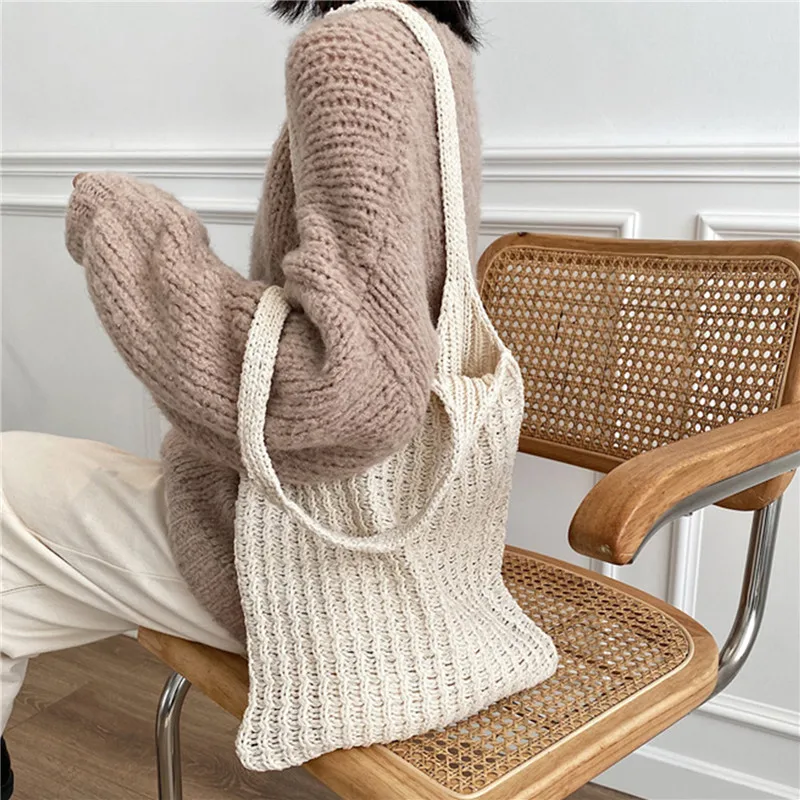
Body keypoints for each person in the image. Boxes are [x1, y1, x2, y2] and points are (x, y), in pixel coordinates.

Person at [0, 1, 481, 793]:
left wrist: (133, 232)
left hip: (316, 565)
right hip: (406, 544)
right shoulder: (434, 48)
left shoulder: (354, 52)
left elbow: (350, 396)